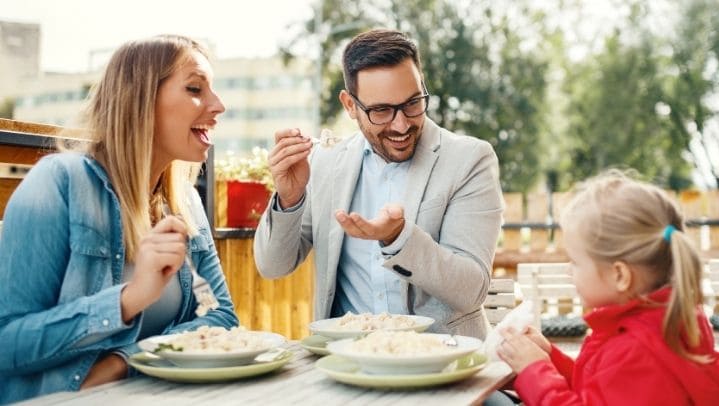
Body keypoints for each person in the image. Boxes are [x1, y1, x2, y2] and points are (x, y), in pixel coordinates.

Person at [0, 35, 238, 404]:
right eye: (195, 88)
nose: (218, 105)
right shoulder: (60, 182)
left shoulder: (185, 201)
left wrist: (124, 362)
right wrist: (127, 300)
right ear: (140, 99)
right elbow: (7, 342)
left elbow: (221, 315)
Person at [254, 29, 504, 338]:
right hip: (346, 363)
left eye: (412, 103)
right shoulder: (323, 162)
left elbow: (471, 290)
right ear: (349, 105)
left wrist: (399, 239)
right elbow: (273, 266)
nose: (401, 125)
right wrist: (289, 199)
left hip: (444, 363)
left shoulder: (468, 160)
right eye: (381, 111)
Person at [497, 171, 719, 405]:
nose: (568, 271)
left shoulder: (637, 351)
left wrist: (535, 370)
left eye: (575, 262)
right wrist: (550, 359)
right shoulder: (663, 323)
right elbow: (603, 390)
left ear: (620, 275)